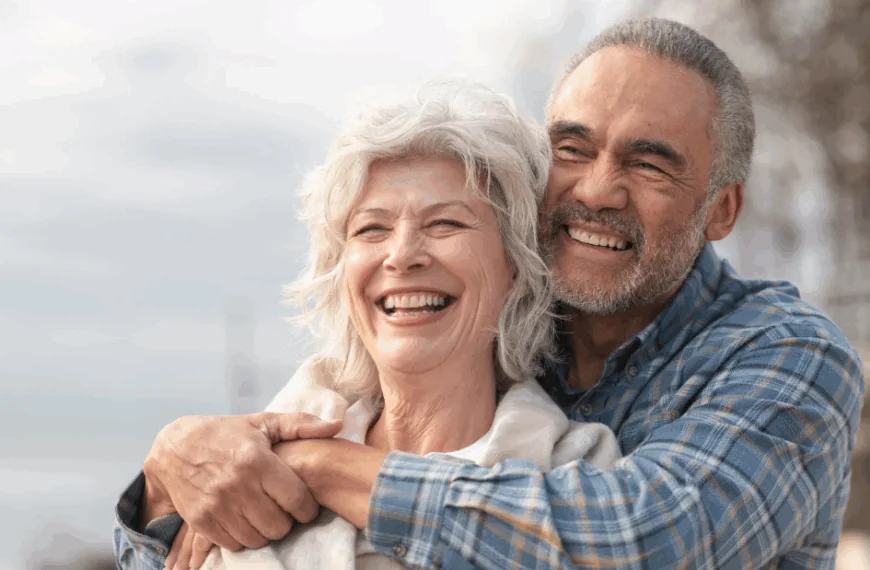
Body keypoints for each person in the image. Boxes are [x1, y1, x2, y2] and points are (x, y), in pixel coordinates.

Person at [115, 17, 865, 570]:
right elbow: (205, 516)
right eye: (572, 148)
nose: (598, 189)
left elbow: (649, 541)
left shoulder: (787, 354)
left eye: (650, 164)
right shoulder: (491, 330)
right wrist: (168, 471)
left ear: (723, 211)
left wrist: (320, 469)